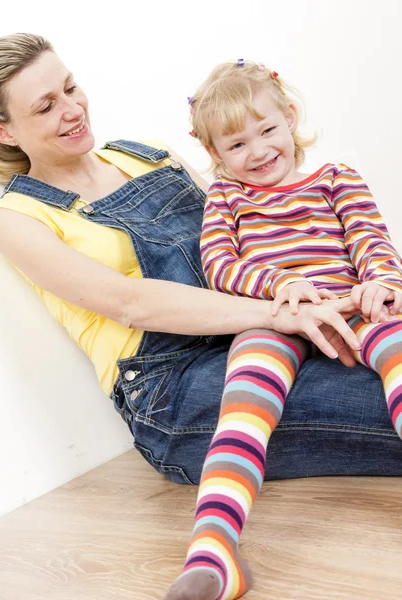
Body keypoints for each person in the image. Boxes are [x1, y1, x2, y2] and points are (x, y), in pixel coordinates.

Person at [0, 34, 402, 600]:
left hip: (261, 327)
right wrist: (283, 307)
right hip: (175, 385)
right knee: (368, 400)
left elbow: (251, 226)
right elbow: (131, 302)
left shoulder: (147, 153)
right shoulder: (14, 219)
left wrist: (353, 287)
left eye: (70, 88)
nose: (71, 110)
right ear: (5, 131)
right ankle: (213, 557)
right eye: (45, 106)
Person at [162, 59, 402, 600]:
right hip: (277, 320)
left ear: (290, 118)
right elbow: (221, 266)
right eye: (237, 145)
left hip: (351, 304)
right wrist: (279, 285)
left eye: (267, 130)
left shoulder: (337, 178)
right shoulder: (226, 199)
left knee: (397, 343)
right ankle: (214, 551)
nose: (259, 150)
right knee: (243, 404)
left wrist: (380, 284)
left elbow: (373, 242)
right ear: (215, 156)